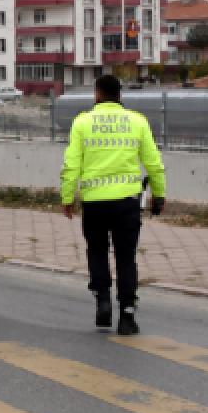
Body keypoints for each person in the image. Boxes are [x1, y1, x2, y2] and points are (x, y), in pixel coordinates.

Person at [60, 74, 166, 335]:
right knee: (126, 257)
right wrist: (159, 195)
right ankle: (127, 316)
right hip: (127, 203)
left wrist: (67, 196)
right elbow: (154, 163)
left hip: (94, 203)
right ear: (120, 96)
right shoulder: (138, 122)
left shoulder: (82, 123)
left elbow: (71, 164)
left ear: (96, 95)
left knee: (97, 251)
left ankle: (103, 302)